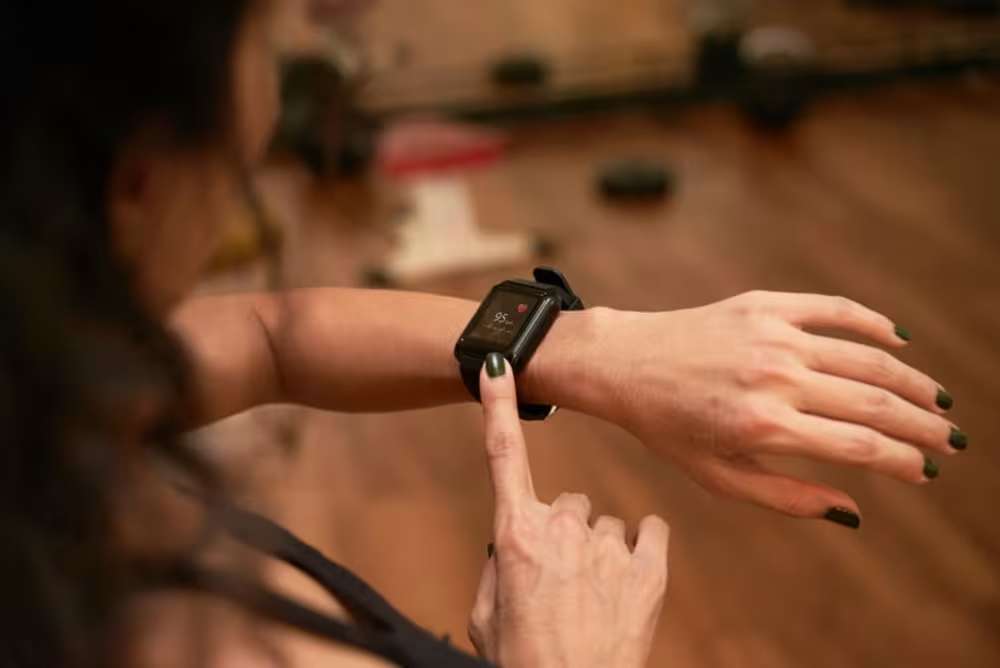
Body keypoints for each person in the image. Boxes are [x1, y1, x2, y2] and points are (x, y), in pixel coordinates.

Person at [0, 0, 964, 666]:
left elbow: (269, 332)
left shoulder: (43, 383)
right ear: (137, 175)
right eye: (262, 26)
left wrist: (589, 351)